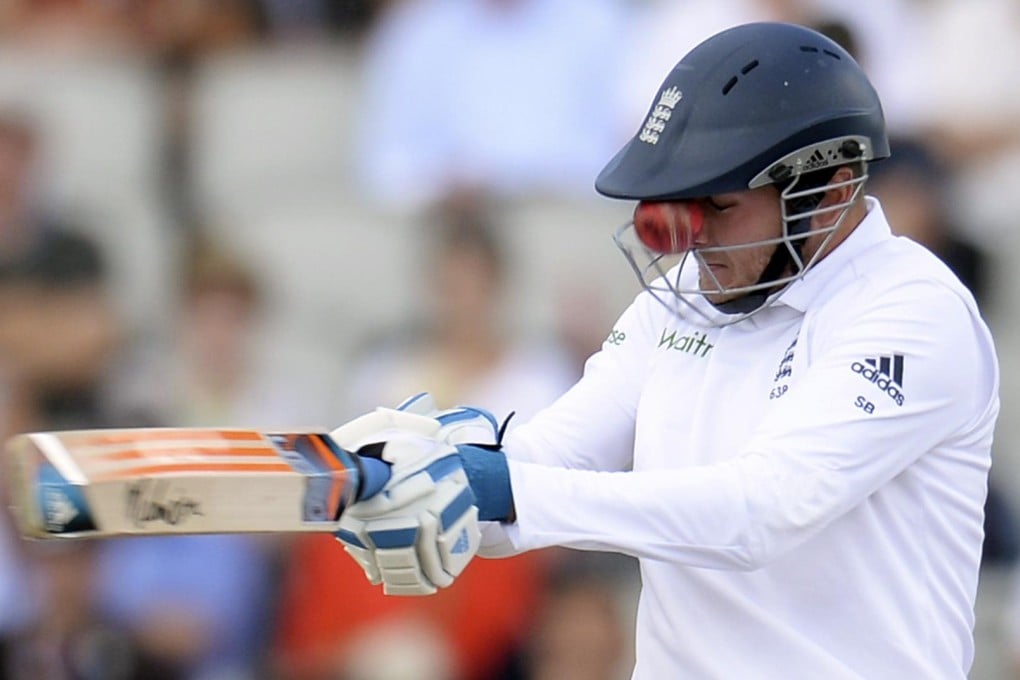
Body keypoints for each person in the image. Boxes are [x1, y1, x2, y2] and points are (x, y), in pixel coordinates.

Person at [329, 22, 999, 679]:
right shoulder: (689, 290)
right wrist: (437, 480)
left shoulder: (913, 309)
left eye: (720, 205)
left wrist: (508, 490)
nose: (690, 237)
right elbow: (555, 455)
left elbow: (760, 512)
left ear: (827, 190)